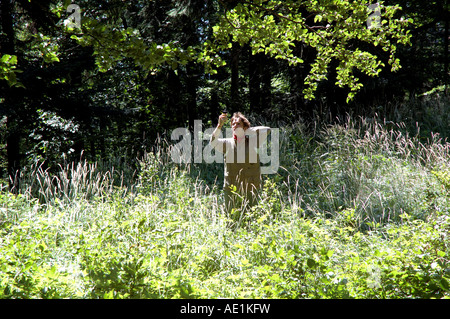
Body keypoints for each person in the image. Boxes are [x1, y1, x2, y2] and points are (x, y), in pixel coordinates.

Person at [210, 112, 270, 216]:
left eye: (238, 124)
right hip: (231, 187)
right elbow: (213, 142)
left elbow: (267, 130)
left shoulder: (254, 141)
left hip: (251, 187)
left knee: (252, 217)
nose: (234, 126)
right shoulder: (227, 143)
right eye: (233, 124)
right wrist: (219, 125)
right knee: (231, 218)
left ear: (244, 126)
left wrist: (247, 130)